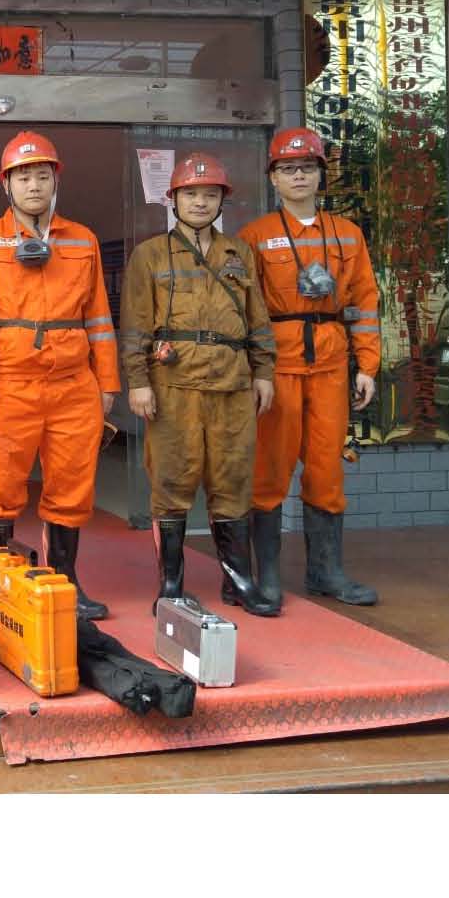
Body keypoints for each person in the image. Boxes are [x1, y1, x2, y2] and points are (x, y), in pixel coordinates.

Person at [0, 132, 120, 620]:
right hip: (11, 383)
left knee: (72, 486)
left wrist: (107, 381)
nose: (34, 185)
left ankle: (64, 585)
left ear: (55, 181)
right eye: (24, 177)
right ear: (6, 185)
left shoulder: (83, 240)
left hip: (73, 384)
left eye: (42, 176)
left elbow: (99, 317)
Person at [119, 151, 279, 615]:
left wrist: (263, 371)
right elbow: (136, 324)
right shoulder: (150, 255)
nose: (200, 202)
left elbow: (257, 318)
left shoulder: (239, 253)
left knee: (233, 478)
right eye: (191, 194)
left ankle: (238, 581)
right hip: (174, 386)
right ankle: (171, 585)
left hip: (232, 383)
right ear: (173, 199)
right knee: (172, 479)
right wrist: (138, 381)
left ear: (221, 201)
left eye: (210, 195)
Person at [239, 125, 382, 606]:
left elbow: (365, 303)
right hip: (278, 367)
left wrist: (367, 366)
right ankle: (268, 577)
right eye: (287, 168)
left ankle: (327, 573)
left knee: (326, 470)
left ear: (321, 175)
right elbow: (246, 311)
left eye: (306, 167)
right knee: (270, 469)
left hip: (330, 364)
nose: (297, 176)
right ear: (273, 178)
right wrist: (256, 372)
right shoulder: (255, 237)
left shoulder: (347, 235)